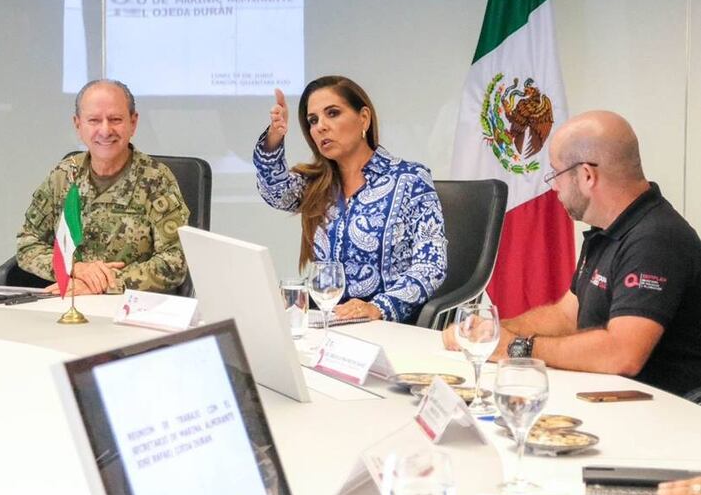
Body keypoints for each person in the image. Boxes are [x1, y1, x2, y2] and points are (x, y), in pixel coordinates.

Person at [443, 111, 701, 398]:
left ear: (588, 175)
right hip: (608, 397)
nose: (554, 187)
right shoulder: (608, 229)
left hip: (660, 417)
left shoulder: (657, 238)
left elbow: (622, 353)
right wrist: (492, 332)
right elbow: (567, 315)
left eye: (556, 174)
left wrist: (519, 348)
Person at [253, 76, 447, 323]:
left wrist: (379, 307)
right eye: (313, 121)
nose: (320, 126)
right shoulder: (316, 184)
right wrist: (274, 137)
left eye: (332, 113)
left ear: (363, 118)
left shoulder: (410, 180)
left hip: (387, 327)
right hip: (327, 323)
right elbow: (275, 191)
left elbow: (431, 266)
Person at [15, 79, 189, 295]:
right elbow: (27, 244)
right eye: (94, 120)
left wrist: (104, 283)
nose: (105, 130)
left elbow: (174, 263)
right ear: (78, 125)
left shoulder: (156, 180)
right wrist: (73, 269)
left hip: (132, 309)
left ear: (133, 123)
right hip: (70, 302)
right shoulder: (64, 176)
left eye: (115, 119)